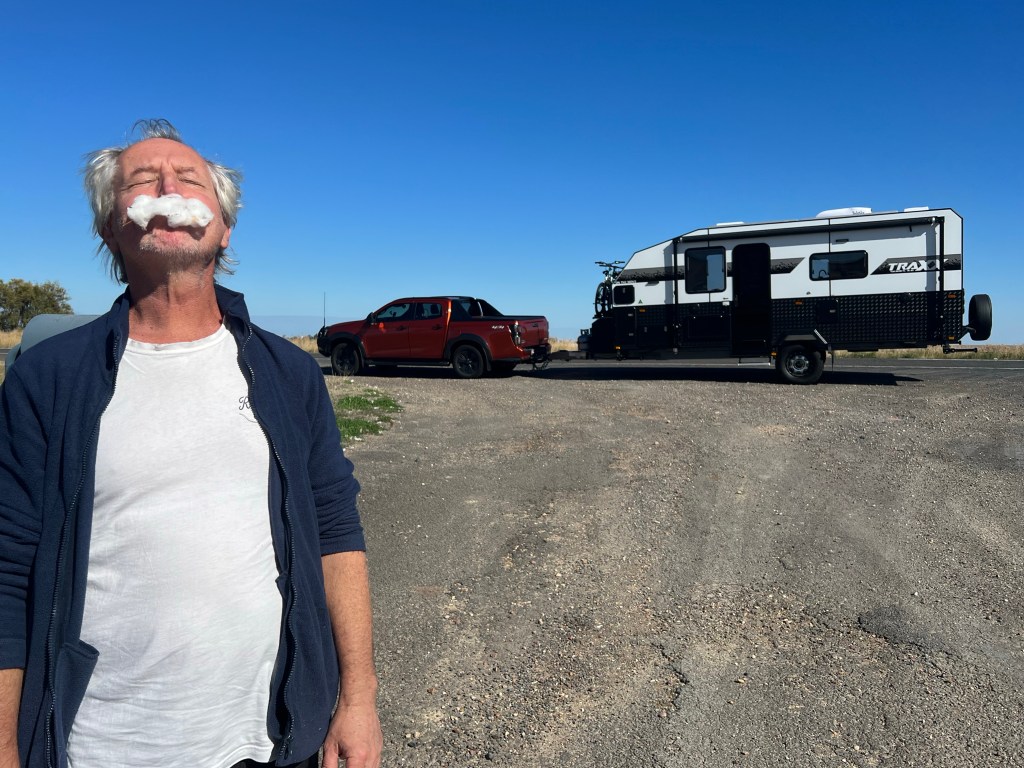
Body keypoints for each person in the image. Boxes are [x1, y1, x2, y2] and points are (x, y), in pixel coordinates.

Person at [0, 119, 383, 768]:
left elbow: (336, 530)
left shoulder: (288, 374)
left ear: (224, 227)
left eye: (189, 179)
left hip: (270, 741)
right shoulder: (50, 377)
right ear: (110, 227)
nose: (168, 189)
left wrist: (359, 697)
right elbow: (9, 568)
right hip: (101, 746)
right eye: (143, 180)